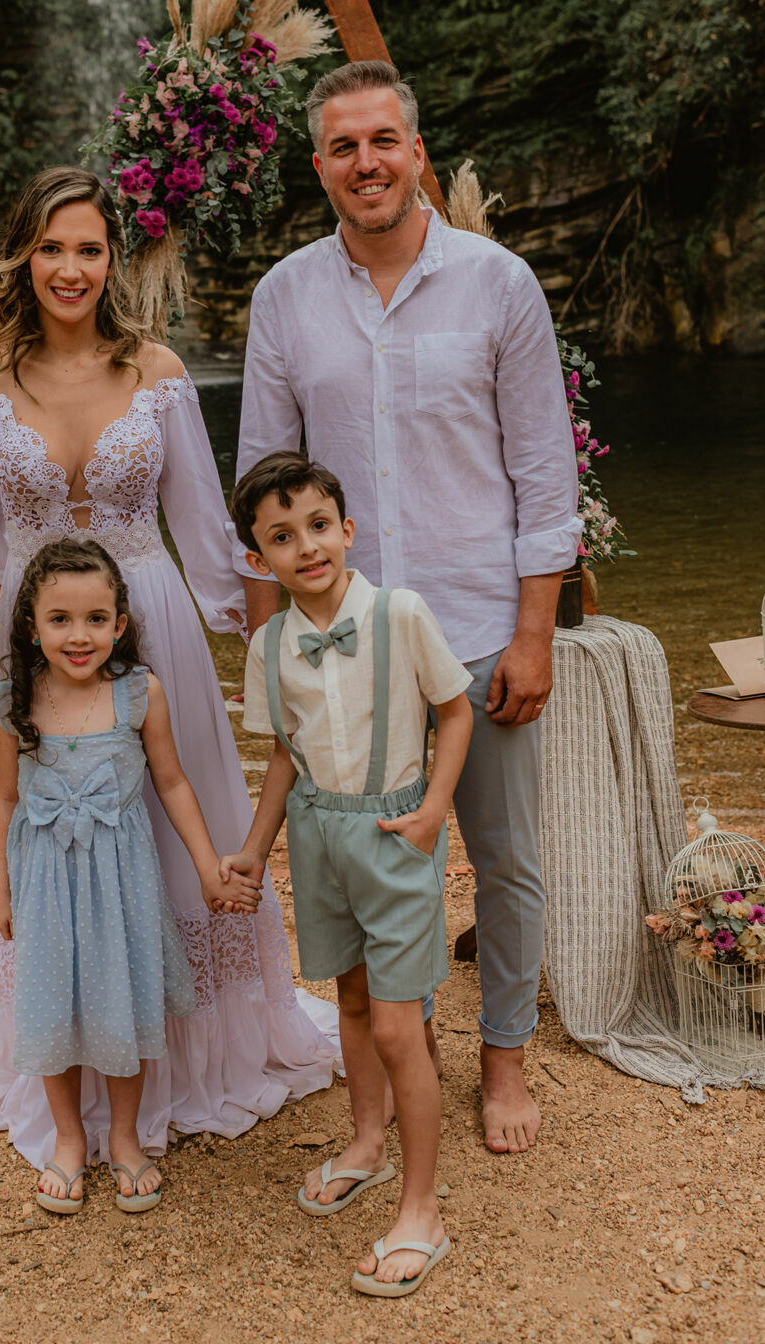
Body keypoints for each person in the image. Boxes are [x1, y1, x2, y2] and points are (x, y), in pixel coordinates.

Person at [0, 166, 337, 1171]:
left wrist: (279, 637)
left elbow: (206, 533)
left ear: (114, 258)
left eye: (89, 248)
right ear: (23, 255)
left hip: (153, 626)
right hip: (36, 637)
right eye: (51, 247)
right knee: (56, 849)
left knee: (171, 838)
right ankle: (64, 1077)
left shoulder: (161, 372)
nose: (69, 267)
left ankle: (184, 1064)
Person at [237, 61, 582, 1156]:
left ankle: (506, 1058)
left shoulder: (498, 283)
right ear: (320, 165)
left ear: (417, 150)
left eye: (383, 140)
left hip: (479, 628)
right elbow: (260, 479)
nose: (366, 162)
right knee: (369, 859)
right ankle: (400, 1064)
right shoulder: (284, 296)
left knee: (507, 855)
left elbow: (543, 476)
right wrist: (267, 647)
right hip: (344, 653)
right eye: (343, 147)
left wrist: (535, 632)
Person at [221, 453, 473, 1296]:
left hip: (397, 830)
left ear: (348, 529)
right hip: (318, 836)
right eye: (281, 538)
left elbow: (455, 708)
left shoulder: (400, 613)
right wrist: (256, 848)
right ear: (259, 559)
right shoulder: (268, 647)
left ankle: (422, 1211)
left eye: (318, 526)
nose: (306, 547)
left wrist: (437, 806)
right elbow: (285, 757)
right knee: (353, 1000)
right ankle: (366, 1143)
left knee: (402, 1027)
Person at [0, 536, 259, 1213]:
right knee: (53, 1004)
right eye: (60, 619)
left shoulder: (140, 692)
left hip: (121, 880)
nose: (79, 636)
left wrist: (207, 868)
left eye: (95, 619)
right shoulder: (14, 697)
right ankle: (70, 1140)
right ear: (32, 625)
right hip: (46, 879)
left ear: (121, 623)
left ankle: (130, 1139)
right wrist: (0, 888)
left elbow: (171, 784)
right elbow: (5, 797)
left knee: (122, 1000)